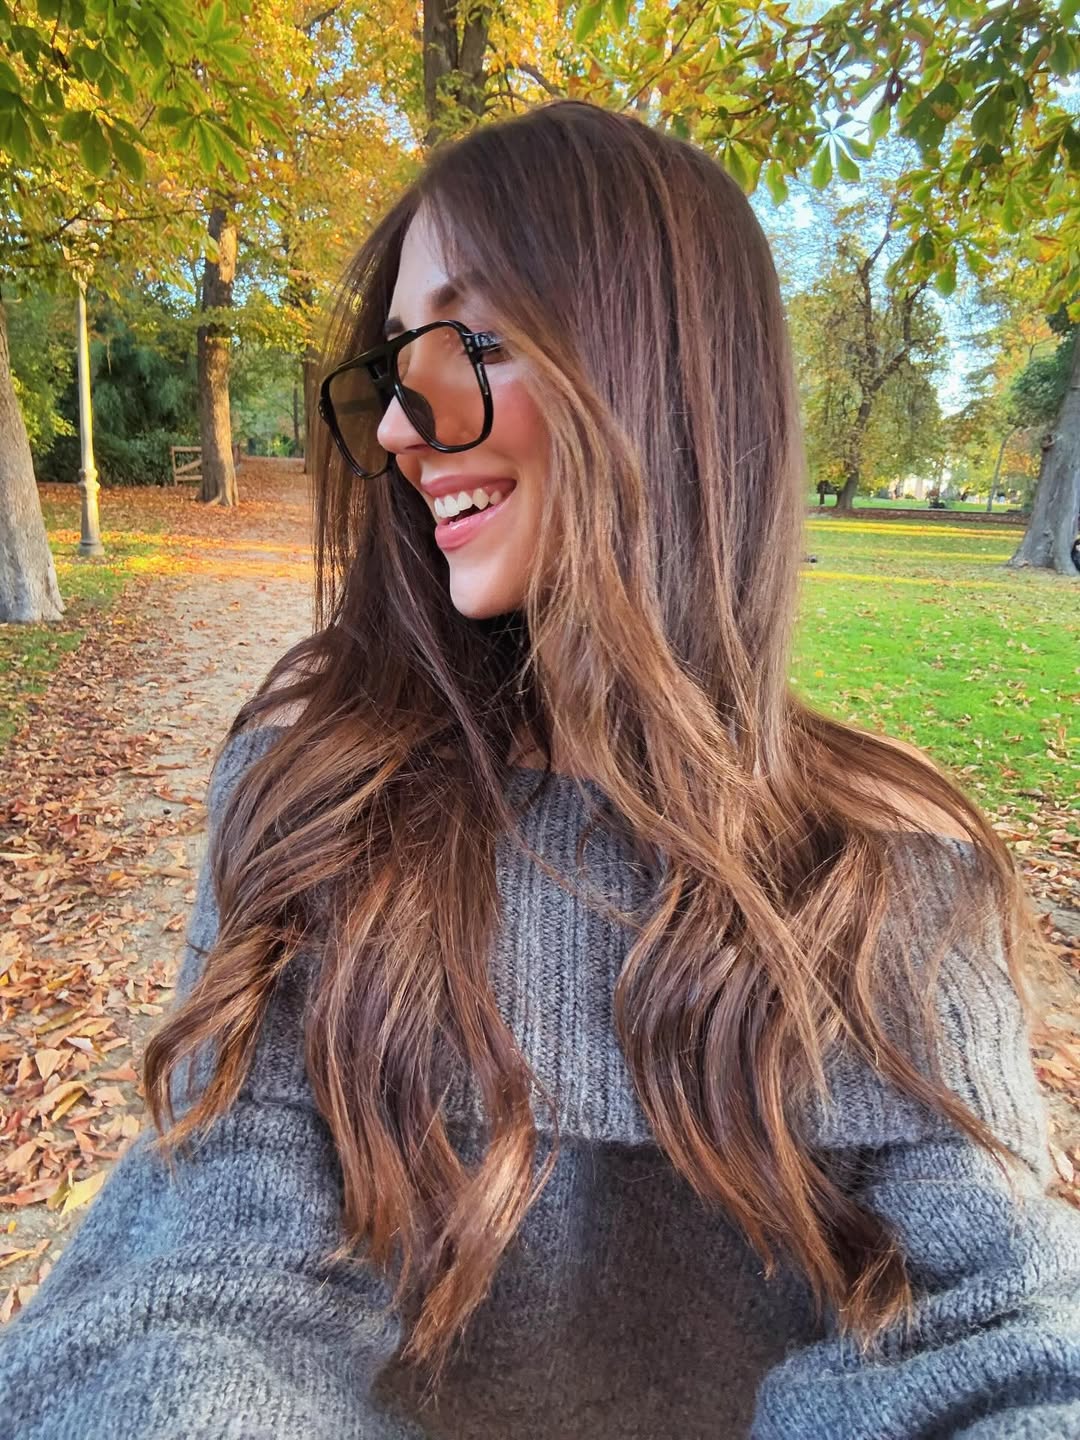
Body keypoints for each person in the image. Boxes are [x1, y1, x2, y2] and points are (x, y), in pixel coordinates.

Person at [2, 100, 1079, 1439]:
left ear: (667, 380)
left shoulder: (886, 869)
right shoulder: (319, 792)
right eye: (398, 367)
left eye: (472, 344)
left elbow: (997, 1342)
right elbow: (211, 1284)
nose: (398, 432)